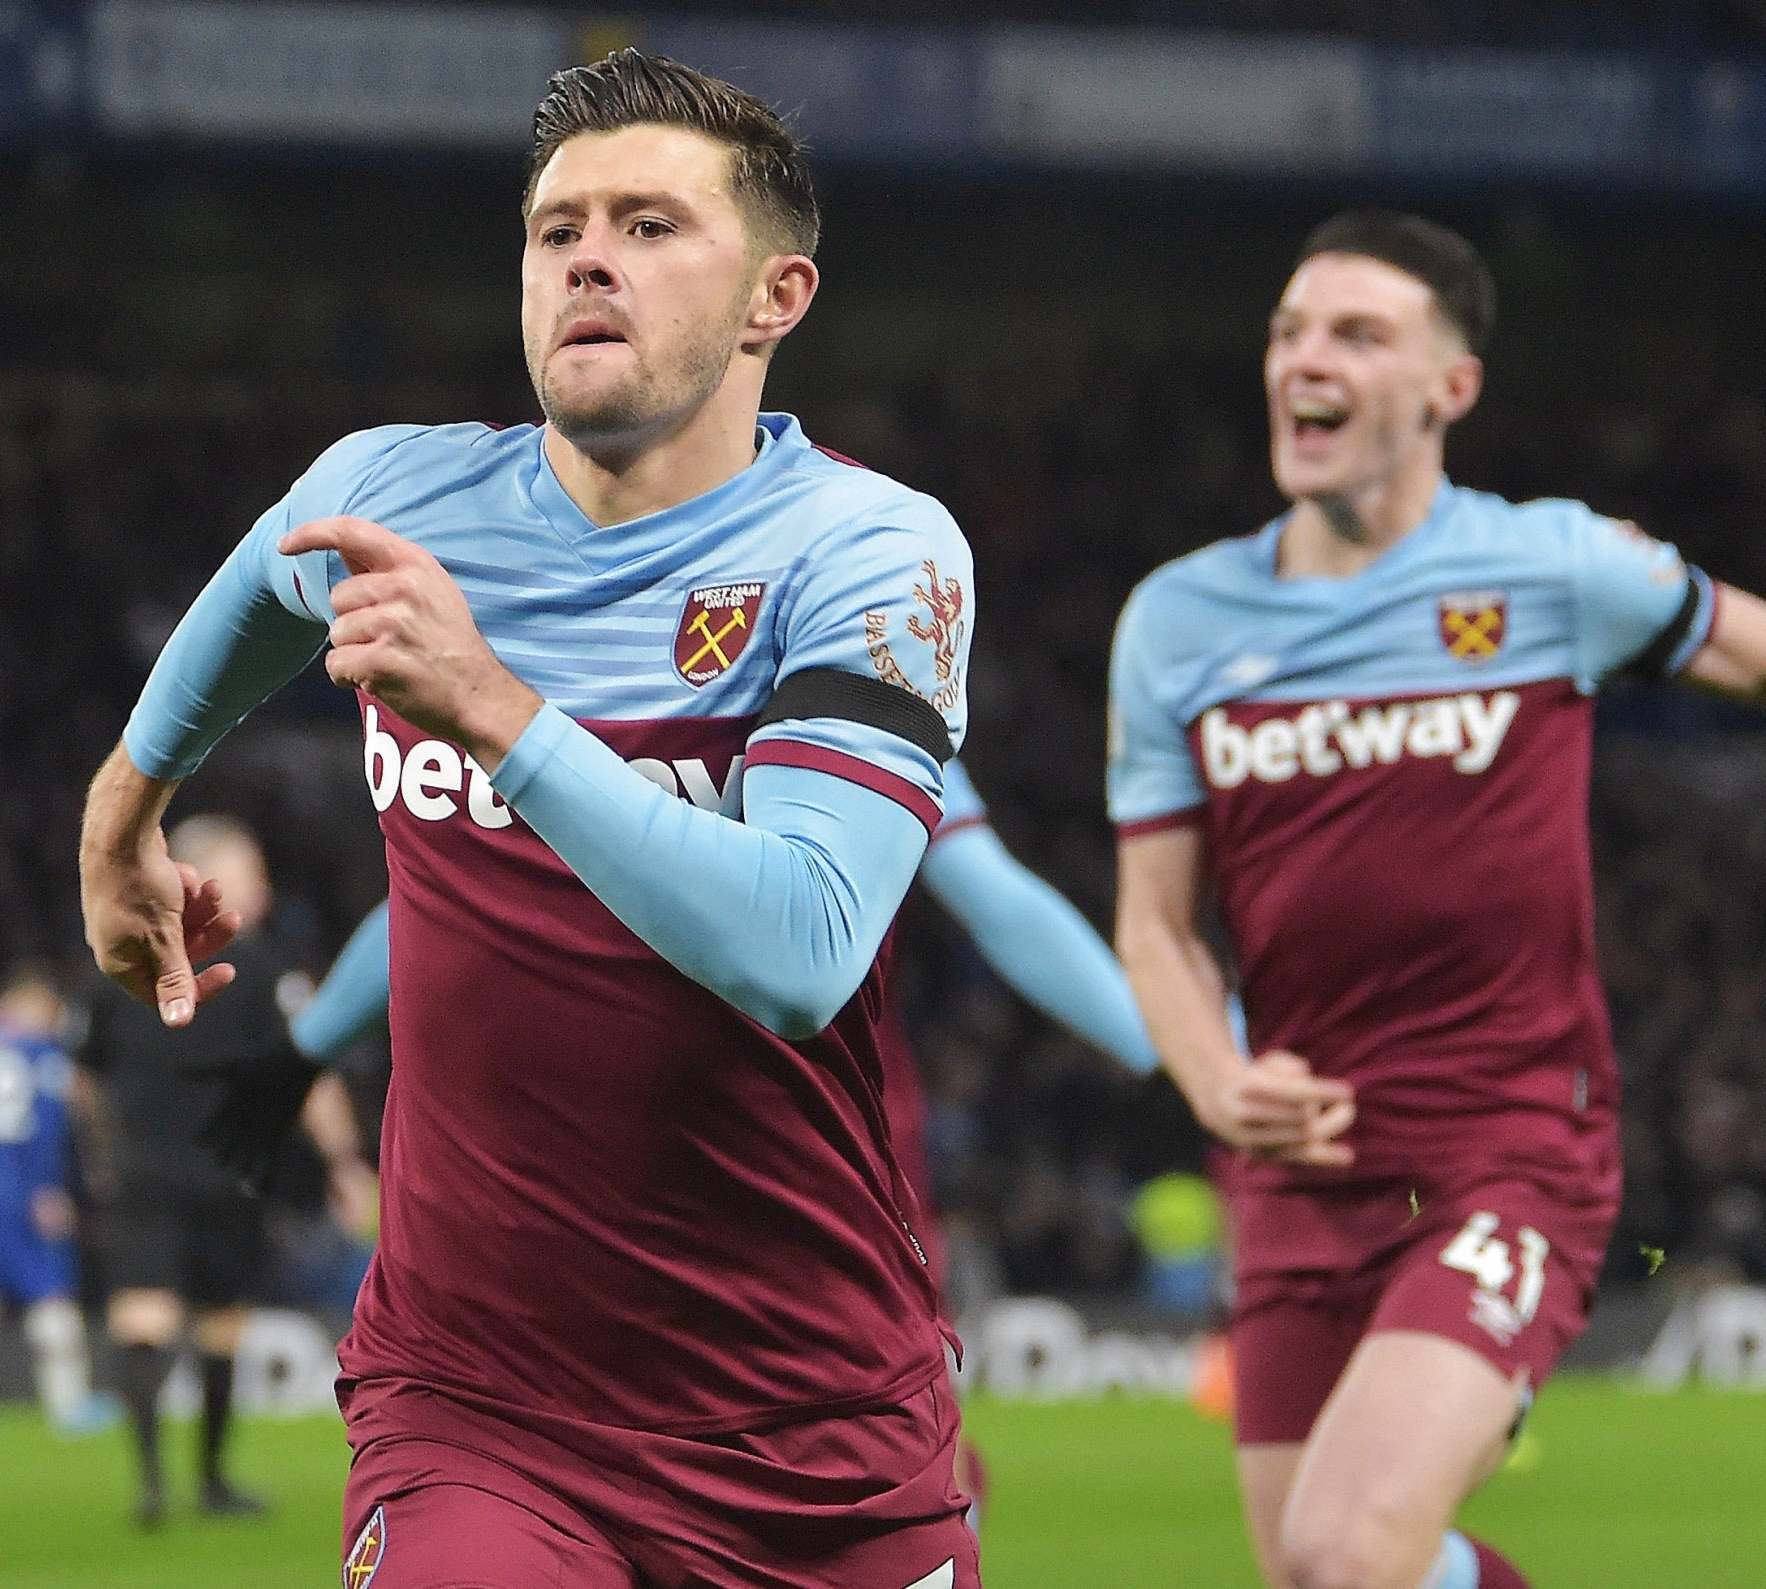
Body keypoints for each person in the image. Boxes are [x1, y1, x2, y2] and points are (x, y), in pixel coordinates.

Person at [80, 51, 981, 1589]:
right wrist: (125, 809)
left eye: (648, 224)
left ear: (776, 297)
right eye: (555, 225)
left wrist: (496, 712)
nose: (585, 254)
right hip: (477, 1405)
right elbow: (248, 606)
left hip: (809, 1424)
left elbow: (803, 946)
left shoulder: (869, 548)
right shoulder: (391, 500)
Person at [1105, 209, 1766, 1589]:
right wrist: (1210, 1076)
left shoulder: (1548, 567)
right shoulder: (1178, 621)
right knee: (1322, 1575)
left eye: (1357, 333)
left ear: (1447, 388)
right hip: (1297, 1165)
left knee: (1345, 1553)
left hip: (1506, 1146)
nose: (1307, 357)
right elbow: (1157, 921)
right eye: (1289, 329)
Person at [227, 755, 1161, 1521]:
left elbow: (425, 904)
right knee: (865, 1476)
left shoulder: (592, 700)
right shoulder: (841, 692)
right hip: (782, 1189)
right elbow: (998, 900)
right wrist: (1186, 1055)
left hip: (702, 1184)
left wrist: (299, 1053)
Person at [76, 815, 371, 1527]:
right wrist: (344, 1162)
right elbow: (311, 1071)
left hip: (152, 1172)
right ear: (201, 874)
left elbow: (83, 1073)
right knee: (215, 1324)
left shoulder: (122, 954)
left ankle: (158, 1484)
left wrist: (101, 1148)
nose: (262, 885)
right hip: (220, 1168)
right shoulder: (265, 968)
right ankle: (202, 1481)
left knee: (164, 1320)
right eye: (248, 868)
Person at [0, 966, 112, 1436]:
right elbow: (46, 1131)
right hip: (19, 1191)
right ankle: (69, 1405)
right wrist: (48, 1188)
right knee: (51, 1295)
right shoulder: (42, 1056)